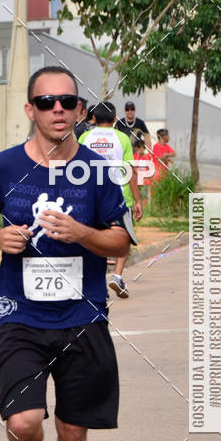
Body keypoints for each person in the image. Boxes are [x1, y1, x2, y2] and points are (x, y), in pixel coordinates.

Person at [0, 66, 134, 441]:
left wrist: (81, 233)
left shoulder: (98, 170)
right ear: (30, 110)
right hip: (21, 314)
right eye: (46, 102)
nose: (57, 109)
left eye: (67, 101)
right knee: (23, 422)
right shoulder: (4, 167)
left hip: (82, 318)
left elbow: (122, 238)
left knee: (74, 427)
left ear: (80, 110)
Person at [79, 102, 143, 300]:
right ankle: (117, 275)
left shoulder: (84, 137)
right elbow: (131, 171)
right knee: (122, 238)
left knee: (95, 239)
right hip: (119, 197)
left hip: (90, 198)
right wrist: (138, 200)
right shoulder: (122, 138)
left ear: (94, 119)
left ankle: (98, 283)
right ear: (116, 119)